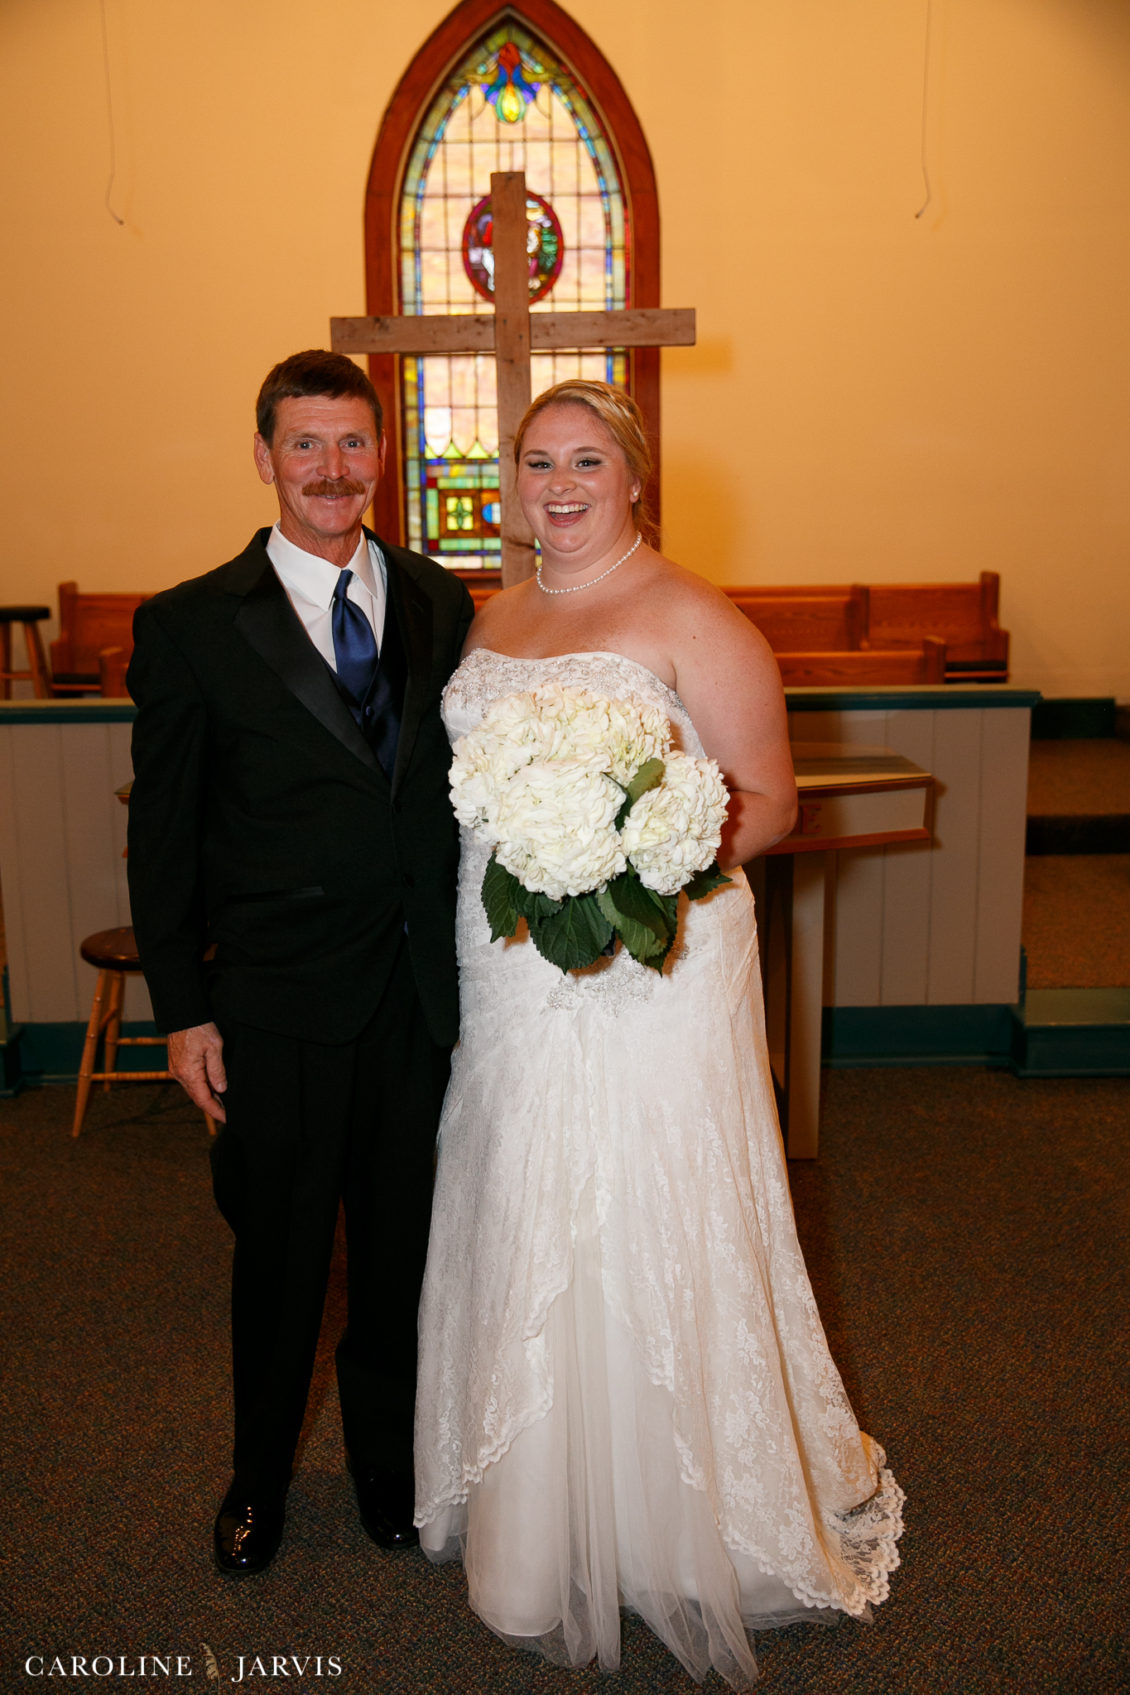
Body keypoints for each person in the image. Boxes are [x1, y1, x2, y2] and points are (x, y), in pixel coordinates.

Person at [413, 380, 904, 1686]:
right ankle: (537, 1523)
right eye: (535, 462)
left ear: (632, 477)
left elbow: (772, 804)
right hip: (506, 961)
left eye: (584, 460)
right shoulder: (489, 614)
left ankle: (686, 1523)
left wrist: (632, 861)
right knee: (523, 1189)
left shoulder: (696, 616)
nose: (557, 483)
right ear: (510, 482)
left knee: (637, 1198)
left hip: (654, 954)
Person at [126, 350, 473, 1575]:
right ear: (264, 456)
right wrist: (183, 1009)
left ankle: (385, 1466)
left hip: (418, 1003)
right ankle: (258, 1478)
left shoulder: (440, 602)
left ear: (384, 454)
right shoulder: (187, 627)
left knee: (398, 1257)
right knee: (275, 1263)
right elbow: (161, 834)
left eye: (353, 443)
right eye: (306, 445)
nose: (333, 470)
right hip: (272, 1006)